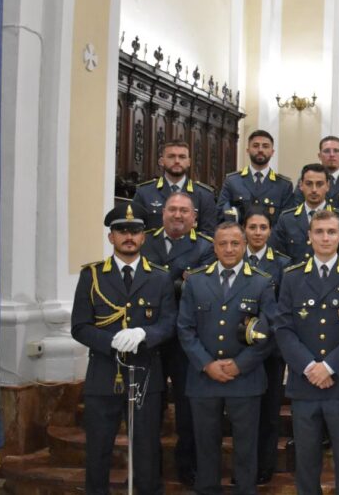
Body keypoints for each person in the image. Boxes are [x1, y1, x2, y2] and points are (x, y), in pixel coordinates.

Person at [70, 202, 176, 495]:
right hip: (104, 376)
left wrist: (145, 332)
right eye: (121, 231)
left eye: (135, 231)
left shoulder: (160, 277)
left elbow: (169, 323)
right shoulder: (91, 276)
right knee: (98, 450)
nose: (129, 236)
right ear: (111, 237)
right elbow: (79, 326)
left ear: (144, 237)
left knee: (146, 451)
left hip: (145, 376)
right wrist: (109, 342)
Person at [274, 210, 339, 495]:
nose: (325, 237)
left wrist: (329, 367)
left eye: (331, 232)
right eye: (319, 232)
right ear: (309, 236)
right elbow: (283, 328)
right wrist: (309, 367)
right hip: (304, 384)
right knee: (305, 460)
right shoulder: (292, 277)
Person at [176, 222, 276, 495]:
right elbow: (185, 328)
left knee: (246, 445)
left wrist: (240, 364)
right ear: (214, 247)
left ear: (244, 246)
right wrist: (207, 364)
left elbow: (270, 330)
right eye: (223, 243)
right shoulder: (195, 281)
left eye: (235, 243)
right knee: (205, 444)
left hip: (245, 378)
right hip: (204, 379)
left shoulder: (261, 281)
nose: (229, 249)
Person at [139, 191, 214, 486]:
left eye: (185, 211)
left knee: (187, 410)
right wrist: (178, 280)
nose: (178, 215)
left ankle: (187, 467)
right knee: (148, 410)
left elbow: (198, 289)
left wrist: (161, 284)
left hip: (186, 340)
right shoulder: (145, 241)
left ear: (194, 217)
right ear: (163, 213)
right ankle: (149, 470)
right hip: (150, 337)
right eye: (173, 210)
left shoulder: (206, 247)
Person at [240, 210, 291, 484]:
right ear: (244, 230)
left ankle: (265, 467)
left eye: (263, 227)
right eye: (252, 227)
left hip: (271, 350)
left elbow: (283, 307)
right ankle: (244, 468)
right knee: (244, 414)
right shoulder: (233, 258)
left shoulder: (282, 264)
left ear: (270, 231)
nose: (258, 232)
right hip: (240, 350)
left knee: (270, 413)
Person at [273, 164, 339, 264]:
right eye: (309, 184)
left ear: (328, 186)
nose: (314, 190)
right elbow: (280, 260)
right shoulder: (287, 219)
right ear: (301, 185)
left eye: (319, 184)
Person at [133, 140, 219, 234]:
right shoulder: (144, 193)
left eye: (182, 157)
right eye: (171, 156)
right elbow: (136, 230)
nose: (177, 161)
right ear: (161, 161)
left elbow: (209, 234)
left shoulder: (204, 196)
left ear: (189, 162)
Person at [218, 130, 296, 222]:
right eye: (255, 146)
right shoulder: (232, 181)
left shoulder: (284, 185)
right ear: (248, 150)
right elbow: (221, 214)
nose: (260, 150)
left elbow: (286, 221)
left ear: (272, 152)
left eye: (265, 146)